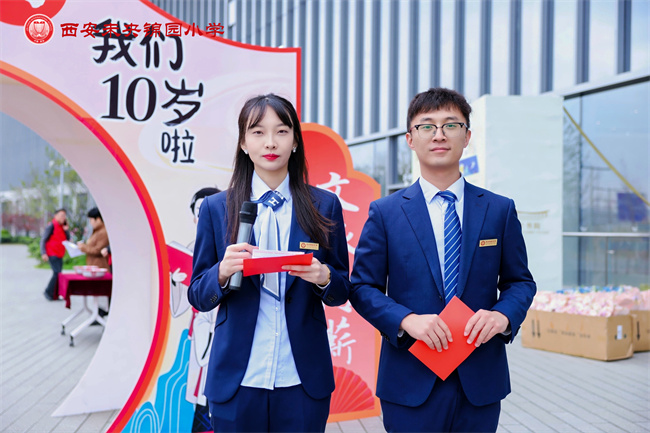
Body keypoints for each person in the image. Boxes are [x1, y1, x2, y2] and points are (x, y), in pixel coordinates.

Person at [349, 88, 536, 433]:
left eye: (451, 125)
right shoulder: (386, 213)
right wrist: (406, 320)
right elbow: (362, 287)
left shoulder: (499, 209)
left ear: (467, 136)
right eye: (427, 126)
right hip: (410, 378)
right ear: (410, 139)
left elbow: (520, 282)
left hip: (479, 379)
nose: (439, 134)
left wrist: (502, 316)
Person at [188, 94, 351, 432]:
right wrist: (222, 272)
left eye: (281, 131)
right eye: (258, 132)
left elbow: (341, 290)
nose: (271, 142)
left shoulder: (324, 205)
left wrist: (323, 276)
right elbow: (198, 295)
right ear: (243, 143)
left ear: (295, 142)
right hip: (238, 379)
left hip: (301, 378)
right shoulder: (217, 208)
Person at [40, 208, 70, 300]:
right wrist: (43, 253)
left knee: (59, 274)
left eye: (64, 216)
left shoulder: (62, 227)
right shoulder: (51, 226)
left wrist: (66, 230)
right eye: (61, 216)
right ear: (55, 216)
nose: (63, 218)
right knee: (57, 273)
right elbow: (43, 239)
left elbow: (68, 239)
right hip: (52, 253)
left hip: (60, 253)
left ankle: (54, 295)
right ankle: (48, 292)